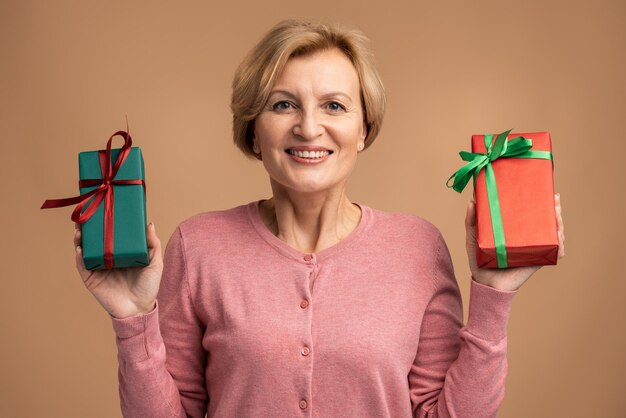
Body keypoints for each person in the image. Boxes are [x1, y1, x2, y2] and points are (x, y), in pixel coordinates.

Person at [73, 19, 565, 418]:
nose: (309, 127)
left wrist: (494, 299)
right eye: (283, 105)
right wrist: (133, 319)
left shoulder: (417, 247)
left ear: (364, 129)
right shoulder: (198, 245)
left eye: (334, 105)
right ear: (253, 132)